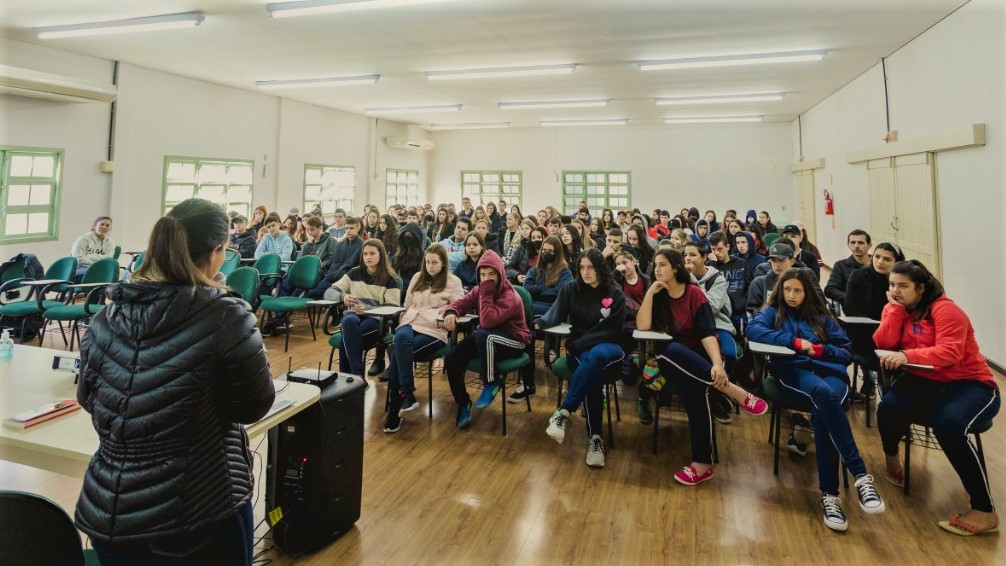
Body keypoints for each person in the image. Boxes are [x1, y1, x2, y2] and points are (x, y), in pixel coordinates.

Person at [75, 198, 275, 564]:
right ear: (217, 251)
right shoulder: (226, 314)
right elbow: (253, 405)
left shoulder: (108, 315)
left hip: (110, 508)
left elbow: (88, 398)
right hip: (199, 505)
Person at [747, 268, 885, 532]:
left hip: (830, 373)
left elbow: (845, 352)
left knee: (825, 406)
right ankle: (860, 476)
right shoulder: (773, 312)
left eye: (797, 290)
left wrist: (821, 350)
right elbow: (754, 330)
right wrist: (796, 343)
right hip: (794, 372)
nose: (791, 295)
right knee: (824, 397)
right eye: (787, 289)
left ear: (807, 291)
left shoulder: (823, 317)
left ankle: (830, 496)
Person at [875, 260, 1000, 536]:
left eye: (903, 286)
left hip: (970, 383)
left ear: (921, 288)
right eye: (892, 285)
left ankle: (985, 509)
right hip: (925, 381)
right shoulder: (895, 308)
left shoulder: (946, 310)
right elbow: (883, 344)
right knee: (889, 407)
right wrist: (894, 310)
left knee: (948, 425)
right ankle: (892, 460)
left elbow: (950, 353)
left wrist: (907, 355)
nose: (895, 291)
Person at [635, 249, 727, 486]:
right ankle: (731, 390)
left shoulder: (695, 294)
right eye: (655, 265)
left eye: (663, 265)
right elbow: (643, 326)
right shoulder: (658, 295)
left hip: (697, 363)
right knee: (670, 349)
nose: (657, 269)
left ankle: (702, 464)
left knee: (696, 390)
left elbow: (708, 333)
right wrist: (649, 294)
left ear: (676, 268)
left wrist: (717, 364)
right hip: (668, 361)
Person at [537, 248, 626, 468]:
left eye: (591, 267)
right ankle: (596, 439)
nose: (585, 272)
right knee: (592, 374)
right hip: (581, 350)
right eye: (582, 267)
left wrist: (581, 343)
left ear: (600, 268)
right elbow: (555, 312)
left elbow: (613, 329)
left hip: (609, 347)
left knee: (595, 356)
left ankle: (563, 411)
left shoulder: (615, 293)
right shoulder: (571, 289)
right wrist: (540, 323)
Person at [442, 250, 532, 428]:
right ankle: (463, 402)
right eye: (482, 274)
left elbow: (488, 321)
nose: (487, 279)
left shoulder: (510, 296)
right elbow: (462, 303)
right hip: (488, 340)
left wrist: (487, 292)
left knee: (484, 334)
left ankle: (491, 382)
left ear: (500, 274)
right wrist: (452, 311)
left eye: (492, 274)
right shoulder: (479, 289)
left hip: (515, 340)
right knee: (452, 357)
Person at [383, 244, 465, 432]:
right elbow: (408, 304)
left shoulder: (453, 282)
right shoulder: (417, 278)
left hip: (433, 330)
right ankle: (406, 392)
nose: (430, 266)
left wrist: (449, 314)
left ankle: (396, 409)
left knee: (397, 352)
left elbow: (459, 306)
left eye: (434, 262)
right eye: (427, 262)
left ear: (444, 263)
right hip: (410, 322)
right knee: (400, 341)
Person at [683, 241, 768, 423]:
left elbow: (711, 307)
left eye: (692, 255)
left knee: (729, 354)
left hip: (717, 325)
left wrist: (693, 284)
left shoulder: (717, 279)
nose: (688, 259)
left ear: (704, 257)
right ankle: (711, 394)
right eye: (685, 255)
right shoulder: (681, 278)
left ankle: (717, 393)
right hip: (693, 327)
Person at [325, 239, 402, 377]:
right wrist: (343, 297)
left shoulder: (391, 278)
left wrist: (367, 310)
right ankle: (357, 376)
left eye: (372, 253)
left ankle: (351, 380)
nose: (368, 257)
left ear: (381, 255)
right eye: (365, 253)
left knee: (346, 338)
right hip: (353, 316)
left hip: (375, 321)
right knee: (348, 322)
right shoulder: (354, 273)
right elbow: (329, 292)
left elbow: (393, 308)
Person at [263, 215, 338, 334]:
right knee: (284, 284)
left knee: (298, 289)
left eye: (312, 229)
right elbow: (299, 260)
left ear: (320, 228)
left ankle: (280, 319)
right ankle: (283, 319)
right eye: (307, 229)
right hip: (303, 274)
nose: (309, 232)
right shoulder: (307, 244)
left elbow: (331, 260)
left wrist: (314, 266)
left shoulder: (330, 241)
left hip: (318, 274)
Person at [845, 242, 905, 320]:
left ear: (897, 262)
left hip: (892, 324)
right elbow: (849, 309)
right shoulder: (858, 275)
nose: (880, 262)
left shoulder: (902, 280)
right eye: (877, 257)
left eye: (886, 259)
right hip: (864, 325)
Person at [312, 217, 363, 299]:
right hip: (332, 277)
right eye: (346, 228)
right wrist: (329, 275)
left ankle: (336, 308)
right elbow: (334, 263)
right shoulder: (340, 244)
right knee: (313, 292)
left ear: (358, 228)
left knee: (329, 294)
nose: (348, 231)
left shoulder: (362, 245)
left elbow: (358, 268)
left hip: (347, 279)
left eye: (351, 228)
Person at [523, 235, 574, 315]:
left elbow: (558, 293)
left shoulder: (565, 273)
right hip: (534, 304)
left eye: (550, 250)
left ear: (557, 253)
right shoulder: (534, 270)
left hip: (554, 308)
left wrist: (537, 291)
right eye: (544, 250)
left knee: (525, 308)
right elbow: (526, 288)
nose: (546, 252)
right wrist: (543, 288)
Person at [825, 229, 872, 309]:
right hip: (853, 310)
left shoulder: (878, 264)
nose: (856, 246)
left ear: (869, 245)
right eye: (853, 242)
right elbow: (830, 289)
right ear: (848, 245)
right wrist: (852, 298)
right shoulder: (840, 265)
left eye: (860, 243)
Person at [71, 216, 116, 281]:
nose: (104, 227)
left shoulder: (110, 242)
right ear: (94, 226)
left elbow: (109, 259)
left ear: (110, 228)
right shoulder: (83, 239)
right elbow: (78, 259)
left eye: (107, 225)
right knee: (100, 275)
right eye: (102, 224)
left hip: (100, 269)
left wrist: (88, 256)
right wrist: (96, 266)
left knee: (121, 273)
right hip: (80, 268)